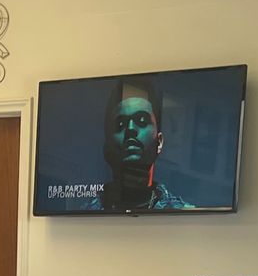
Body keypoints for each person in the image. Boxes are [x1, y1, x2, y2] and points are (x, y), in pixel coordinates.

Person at [82, 79, 197, 211]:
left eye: (142, 120)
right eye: (120, 124)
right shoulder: (87, 211)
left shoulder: (182, 212)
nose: (130, 129)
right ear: (107, 146)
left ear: (159, 142)